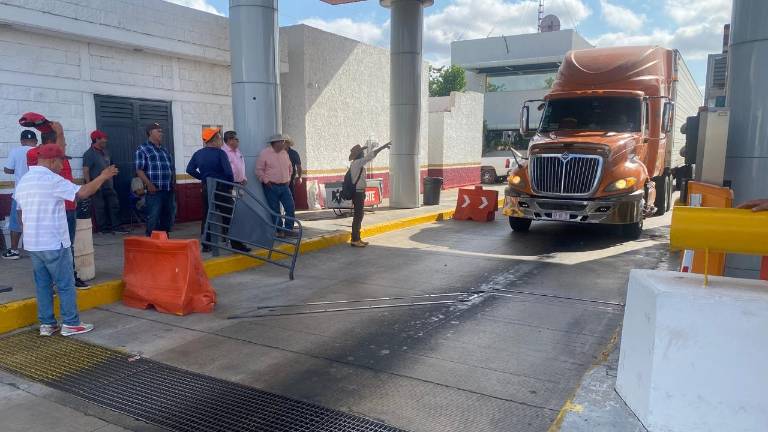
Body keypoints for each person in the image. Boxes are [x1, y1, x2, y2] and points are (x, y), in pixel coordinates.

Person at [14, 143, 118, 336]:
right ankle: (71, 323)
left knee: (43, 285)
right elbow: (83, 193)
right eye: (62, 161)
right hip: (54, 242)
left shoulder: (24, 180)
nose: (63, 166)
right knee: (65, 284)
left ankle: (47, 324)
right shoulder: (52, 179)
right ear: (53, 161)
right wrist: (103, 176)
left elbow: (20, 213)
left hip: (33, 245)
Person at [186, 128, 250, 253]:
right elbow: (228, 172)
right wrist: (230, 186)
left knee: (207, 215)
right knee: (230, 217)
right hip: (222, 189)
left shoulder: (198, 153)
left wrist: (204, 178)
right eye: (220, 138)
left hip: (207, 189)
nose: (221, 141)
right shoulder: (220, 153)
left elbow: (190, 169)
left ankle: (206, 244)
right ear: (214, 140)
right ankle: (236, 245)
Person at [83, 130, 128, 234]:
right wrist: (89, 186)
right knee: (100, 208)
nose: (106, 140)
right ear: (97, 139)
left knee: (114, 205)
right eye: (103, 138)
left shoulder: (107, 152)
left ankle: (116, 227)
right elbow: (86, 170)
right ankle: (103, 229)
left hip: (109, 185)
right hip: (96, 186)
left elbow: (111, 165)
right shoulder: (89, 154)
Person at [135, 122, 175, 236]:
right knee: (153, 217)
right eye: (158, 131)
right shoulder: (143, 149)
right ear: (150, 133)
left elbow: (170, 168)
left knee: (167, 218)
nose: (161, 133)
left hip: (168, 190)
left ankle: (165, 241)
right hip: (154, 191)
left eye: (161, 131)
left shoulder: (164, 150)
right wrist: (149, 184)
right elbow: (139, 170)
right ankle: (150, 242)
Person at [2, 130, 37, 260]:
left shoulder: (16, 151)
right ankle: (36, 249)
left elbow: (7, 169)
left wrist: (18, 167)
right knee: (36, 222)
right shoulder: (40, 151)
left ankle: (14, 250)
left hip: (21, 193)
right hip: (38, 193)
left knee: (16, 223)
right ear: (36, 141)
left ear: (22, 141)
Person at [348, 142, 391, 247]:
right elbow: (371, 155)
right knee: (358, 216)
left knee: (359, 215)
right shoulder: (357, 163)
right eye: (362, 152)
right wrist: (383, 147)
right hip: (358, 193)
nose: (363, 153)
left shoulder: (357, 164)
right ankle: (355, 239)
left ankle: (357, 237)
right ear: (358, 154)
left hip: (359, 192)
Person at [255, 134, 296, 237]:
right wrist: (266, 181)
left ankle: (288, 229)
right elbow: (259, 170)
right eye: (282, 142)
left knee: (290, 207)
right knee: (275, 210)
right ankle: (279, 231)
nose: (284, 143)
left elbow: (290, 168)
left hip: (284, 186)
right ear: (275, 143)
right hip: (271, 186)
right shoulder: (265, 153)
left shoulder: (284, 153)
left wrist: (288, 179)